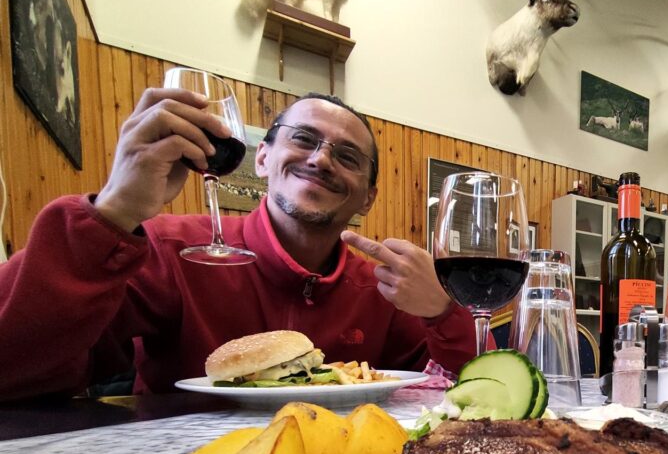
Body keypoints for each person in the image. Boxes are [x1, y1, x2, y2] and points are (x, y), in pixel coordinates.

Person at [0, 88, 478, 401]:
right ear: (263, 157)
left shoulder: (383, 288)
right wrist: (113, 213)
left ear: (368, 197)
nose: (321, 159)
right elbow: (16, 370)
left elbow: (472, 392)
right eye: (304, 139)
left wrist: (442, 311)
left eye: (347, 156)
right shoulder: (170, 250)